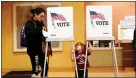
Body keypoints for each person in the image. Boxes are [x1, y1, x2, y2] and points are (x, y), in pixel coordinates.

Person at [25, 7, 48, 77]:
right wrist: (41, 29)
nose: (42, 18)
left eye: (43, 16)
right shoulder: (29, 23)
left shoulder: (41, 24)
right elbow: (30, 31)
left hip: (40, 50)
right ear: (35, 15)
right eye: (41, 16)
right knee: (35, 70)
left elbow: (43, 35)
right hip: (33, 50)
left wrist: (46, 33)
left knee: (45, 68)